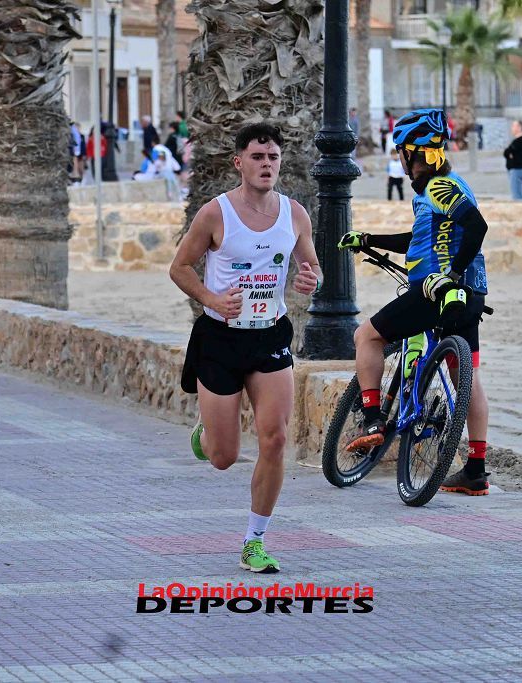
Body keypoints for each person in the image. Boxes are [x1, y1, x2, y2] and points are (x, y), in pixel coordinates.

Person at [170, 122, 322, 573]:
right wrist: (213, 300)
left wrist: (311, 279)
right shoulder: (215, 214)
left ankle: (254, 541)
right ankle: (208, 433)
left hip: (269, 336)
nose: (266, 165)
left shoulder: (295, 214)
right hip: (220, 338)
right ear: (239, 163)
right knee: (224, 458)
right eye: (257, 157)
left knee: (274, 439)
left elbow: (310, 266)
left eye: (273, 157)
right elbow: (180, 268)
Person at [337, 108, 492, 495]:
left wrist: (450, 275)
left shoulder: (440, 187)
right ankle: (475, 469)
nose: (400, 161)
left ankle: (372, 419)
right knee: (465, 378)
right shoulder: (437, 190)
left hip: (435, 291)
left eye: (400, 152)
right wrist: (370, 239)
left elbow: (477, 226)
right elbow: (418, 240)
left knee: (367, 337)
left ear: (411, 152)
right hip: (469, 296)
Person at [504, 119, 522, 201]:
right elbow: (507, 153)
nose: (512, 128)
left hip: (516, 170)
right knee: (516, 192)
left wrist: (510, 154)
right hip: (513, 169)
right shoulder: (516, 141)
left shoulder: (520, 141)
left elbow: (510, 152)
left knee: (517, 195)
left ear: (519, 128)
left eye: (514, 126)